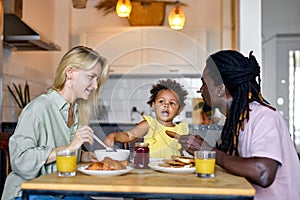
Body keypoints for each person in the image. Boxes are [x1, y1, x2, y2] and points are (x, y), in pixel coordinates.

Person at [179, 50, 300, 200]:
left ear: (220, 89)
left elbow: (263, 173)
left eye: (204, 83)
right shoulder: (237, 120)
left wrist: (206, 150)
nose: (200, 89)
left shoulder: (264, 116)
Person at [2, 46, 110, 200]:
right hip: (27, 192)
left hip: (58, 191)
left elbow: (60, 157)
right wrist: (70, 148)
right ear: (70, 73)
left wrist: (84, 156)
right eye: (91, 77)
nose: (95, 86)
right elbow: (20, 161)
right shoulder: (39, 107)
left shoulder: (76, 111)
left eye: (97, 79)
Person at [105, 79, 189, 158]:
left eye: (172, 103)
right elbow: (129, 135)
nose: (166, 105)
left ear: (179, 110)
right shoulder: (150, 124)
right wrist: (113, 136)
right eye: (161, 101)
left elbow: (182, 153)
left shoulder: (182, 129)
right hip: (151, 169)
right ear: (153, 106)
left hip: (173, 170)